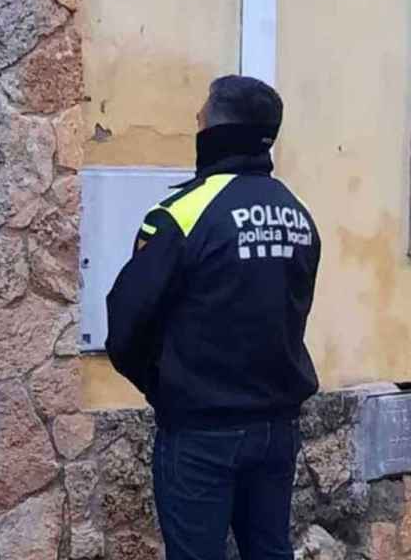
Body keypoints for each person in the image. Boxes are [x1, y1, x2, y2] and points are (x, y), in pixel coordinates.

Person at [105, 75, 321, 560]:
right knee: (270, 551)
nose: (196, 120)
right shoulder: (299, 213)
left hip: (201, 432)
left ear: (214, 130)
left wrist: (164, 385)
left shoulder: (180, 214)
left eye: (201, 115)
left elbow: (124, 328)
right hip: (276, 429)